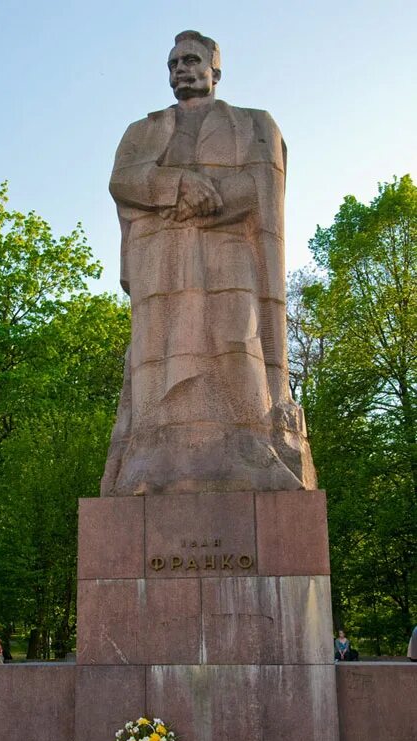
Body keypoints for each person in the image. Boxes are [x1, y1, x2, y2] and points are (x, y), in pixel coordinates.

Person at [101, 30, 316, 496]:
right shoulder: (143, 129)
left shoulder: (252, 123)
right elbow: (123, 181)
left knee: (239, 337)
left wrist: (205, 201)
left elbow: (261, 192)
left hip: (229, 253)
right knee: (156, 355)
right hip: (160, 258)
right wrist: (177, 185)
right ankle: (152, 454)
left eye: (192, 60)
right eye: (173, 63)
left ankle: (253, 442)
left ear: (215, 71)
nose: (181, 69)